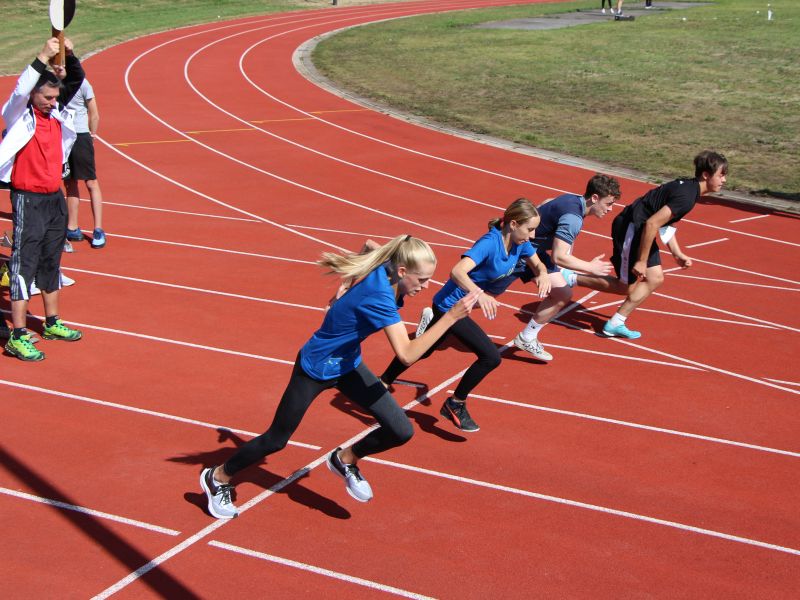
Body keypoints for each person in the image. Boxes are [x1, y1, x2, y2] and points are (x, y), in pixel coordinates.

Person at [200, 235, 479, 519]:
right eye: (422, 279)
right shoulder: (380, 297)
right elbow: (407, 354)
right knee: (276, 440)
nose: (426, 285)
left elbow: (370, 246)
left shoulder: (388, 265)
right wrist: (450, 317)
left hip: (348, 365)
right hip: (315, 367)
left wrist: (343, 287)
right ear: (403, 271)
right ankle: (218, 477)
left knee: (401, 430)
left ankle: (345, 459)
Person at [380, 198, 551, 433]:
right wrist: (479, 294)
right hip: (450, 306)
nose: (532, 236)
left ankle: (383, 382)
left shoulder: (520, 243)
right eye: (529, 229)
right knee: (491, 357)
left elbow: (538, 263)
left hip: (460, 307)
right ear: (513, 224)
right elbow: (457, 271)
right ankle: (455, 403)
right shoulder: (490, 243)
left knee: (423, 348)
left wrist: (541, 273)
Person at [562, 151, 728, 339]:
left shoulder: (690, 190)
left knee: (655, 278)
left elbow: (664, 222)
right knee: (625, 287)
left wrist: (677, 253)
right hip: (631, 228)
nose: (724, 180)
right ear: (706, 175)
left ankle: (615, 323)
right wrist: (641, 261)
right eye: (721, 174)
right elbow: (652, 224)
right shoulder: (687, 196)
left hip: (640, 229)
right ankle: (569, 276)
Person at [0, 38, 85, 361]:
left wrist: (71, 56)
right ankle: (17, 335)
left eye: (54, 97)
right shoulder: (20, 115)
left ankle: (51, 323)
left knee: (51, 261)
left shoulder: (55, 115)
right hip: (29, 200)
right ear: (34, 94)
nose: (52, 101)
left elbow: (74, 82)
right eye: (47, 97)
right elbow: (21, 89)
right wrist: (42, 56)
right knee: (25, 264)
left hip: (54, 200)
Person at [513, 174, 621, 359]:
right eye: (609, 203)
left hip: (532, 251)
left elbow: (547, 202)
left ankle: (527, 337)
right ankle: (448, 312)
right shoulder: (574, 219)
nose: (611, 209)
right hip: (518, 251)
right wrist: (590, 267)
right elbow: (558, 257)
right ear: (594, 198)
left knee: (562, 294)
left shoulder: (571, 198)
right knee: (483, 295)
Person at [64, 77, 105, 249]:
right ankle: (72, 227)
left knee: (91, 181)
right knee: (70, 181)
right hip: (65, 136)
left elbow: (94, 113)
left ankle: (98, 229)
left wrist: (91, 136)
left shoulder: (82, 83)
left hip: (80, 135)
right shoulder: (56, 82)